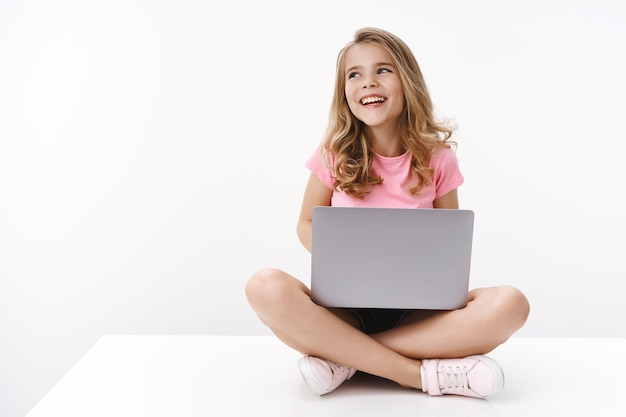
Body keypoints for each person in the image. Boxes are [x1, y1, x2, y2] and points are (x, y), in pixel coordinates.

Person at [245, 27, 530, 399]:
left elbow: (450, 245)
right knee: (264, 286)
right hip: (342, 309)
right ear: (344, 92)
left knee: (511, 304)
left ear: (406, 81)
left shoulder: (437, 159)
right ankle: (419, 375)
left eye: (383, 70)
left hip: (419, 315)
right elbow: (305, 223)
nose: (367, 82)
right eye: (354, 74)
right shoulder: (334, 152)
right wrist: (344, 260)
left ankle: (344, 357)